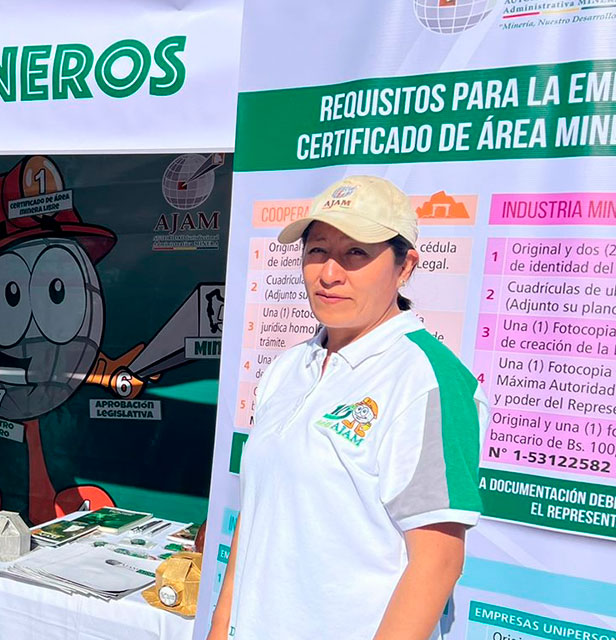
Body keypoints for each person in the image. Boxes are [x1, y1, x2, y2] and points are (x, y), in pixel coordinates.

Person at [208, 176, 487, 640]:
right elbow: (256, 519)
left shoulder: (426, 379)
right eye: (317, 250)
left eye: (356, 252)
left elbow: (437, 561)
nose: (330, 273)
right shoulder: (287, 368)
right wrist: (221, 628)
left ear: (405, 266)